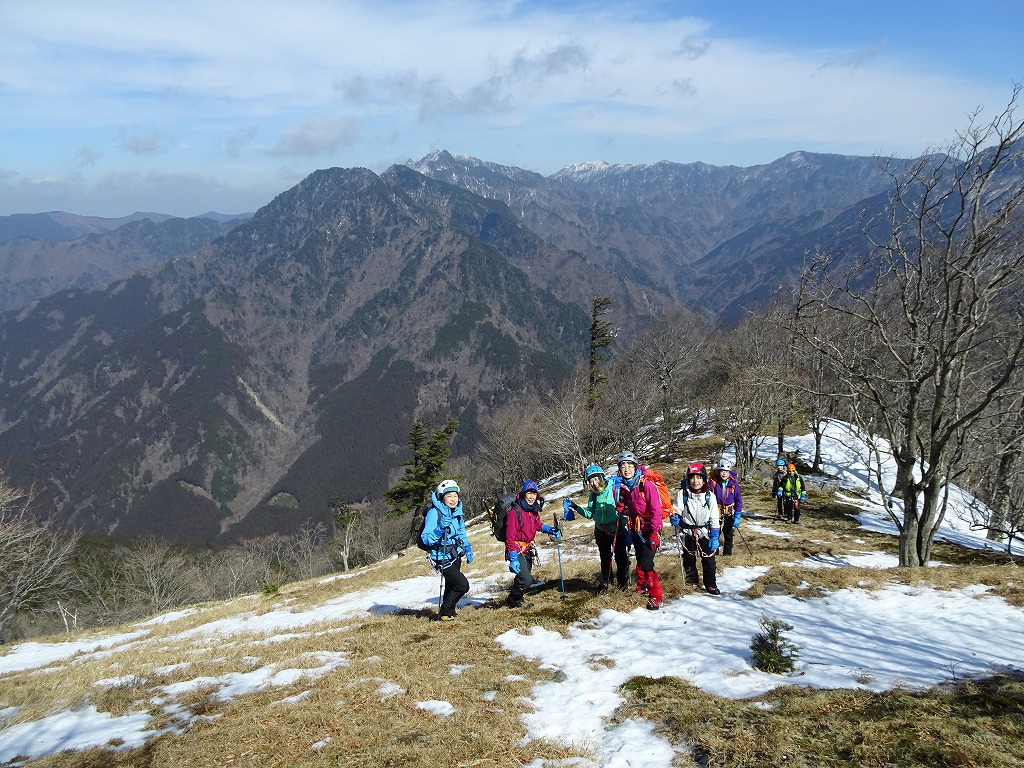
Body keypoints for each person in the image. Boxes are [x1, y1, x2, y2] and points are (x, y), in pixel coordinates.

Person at [564, 464, 629, 591]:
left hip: (617, 530)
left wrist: (623, 525)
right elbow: (590, 514)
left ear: (601, 477)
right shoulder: (594, 495)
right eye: (591, 481)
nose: (594, 483)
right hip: (600, 531)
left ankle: (623, 584)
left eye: (595, 479)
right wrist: (575, 507)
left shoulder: (614, 489)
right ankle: (606, 582)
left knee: (621, 558)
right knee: (605, 558)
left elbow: (624, 510)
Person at [615, 450, 664, 610]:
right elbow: (629, 508)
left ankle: (655, 595)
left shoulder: (646, 485)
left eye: (630, 465)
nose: (626, 469)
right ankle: (642, 585)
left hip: (651, 529)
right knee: (640, 557)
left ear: (635, 467)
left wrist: (655, 533)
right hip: (636, 528)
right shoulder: (624, 487)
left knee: (647, 562)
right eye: (623, 466)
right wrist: (622, 507)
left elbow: (656, 510)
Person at [419, 479, 473, 621]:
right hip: (441, 556)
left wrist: (467, 547)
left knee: (451, 584)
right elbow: (426, 539)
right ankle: (445, 610)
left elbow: (461, 532)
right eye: (449, 496)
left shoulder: (457, 511)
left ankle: (448, 612)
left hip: (455, 554)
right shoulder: (434, 514)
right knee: (462, 585)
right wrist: (439, 529)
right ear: (442, 497)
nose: (453, 499)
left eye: (455, 496)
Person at [505, 479, 561, 608]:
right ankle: (513, 601)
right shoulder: (515, 512)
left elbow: (537, 524)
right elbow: (509, 537)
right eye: (529, 493)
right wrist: (513, 558)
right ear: (523, 493)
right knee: (526, 579)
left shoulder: (533, 510)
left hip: (528, 549)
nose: (531, 497)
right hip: (517, 549)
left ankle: (517, 598)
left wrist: (549, 529)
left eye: (534, 493)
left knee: (523, 578)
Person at [671, 462, 722, 595]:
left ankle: (710, 584)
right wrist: (675, 516)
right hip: (687, 531)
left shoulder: (710, 496)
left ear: (704, 480)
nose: (695, 481)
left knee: (709, 560)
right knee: (689, 558)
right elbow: (676, 508)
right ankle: (691, 580)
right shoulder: (683, 494)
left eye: (699, 477)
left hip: (705, 532)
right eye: (692, 477)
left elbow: (714, 517)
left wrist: (715, 536)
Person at [709, 459, 743, 556]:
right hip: (716, 511)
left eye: (726, 471)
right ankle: (714, 551)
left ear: (729, 472)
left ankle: (727, 553)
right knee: (716, 531)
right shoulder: (713, 482)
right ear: (718, 471)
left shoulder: (734, 484)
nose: (724, 474)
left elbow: (738, 499)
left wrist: (737, 515)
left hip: (729, 512)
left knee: (728, 533)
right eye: (722, 471)